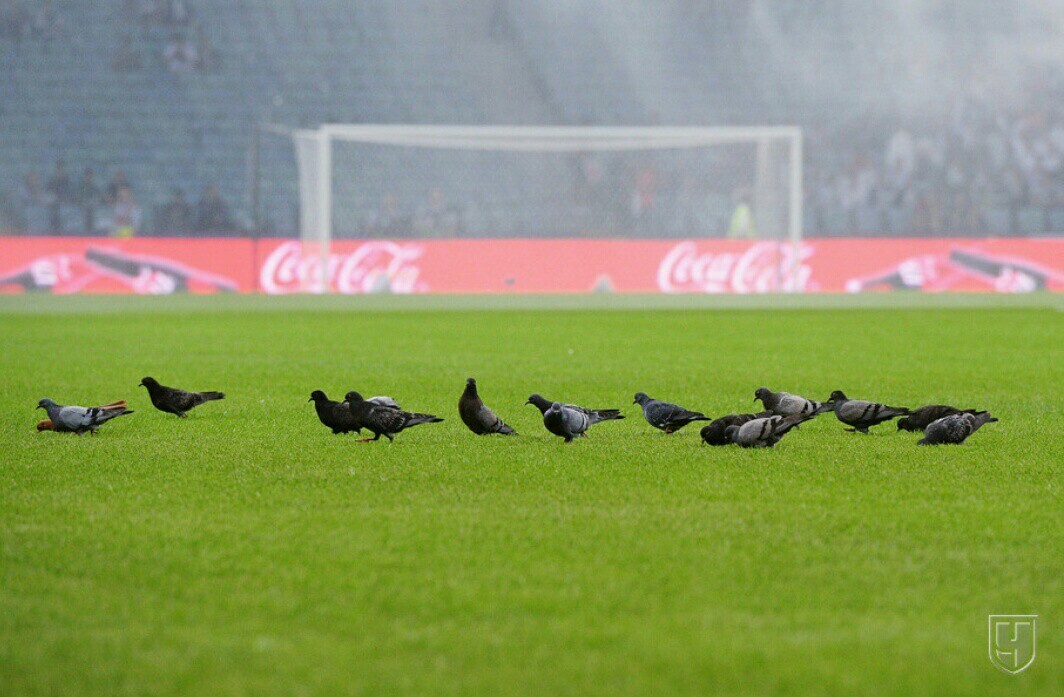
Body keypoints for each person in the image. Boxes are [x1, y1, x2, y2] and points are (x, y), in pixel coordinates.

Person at [76, 167, 101, 233]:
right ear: (84, 176)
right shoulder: (80, 188)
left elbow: (99, 198)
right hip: (82, 210)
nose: (88, 178)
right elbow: (77, 199)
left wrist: (94, 202)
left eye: (90, 176)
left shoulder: (95, 188)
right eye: (87, 176)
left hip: (93, 210)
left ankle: (93, 231)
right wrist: (82, 202)